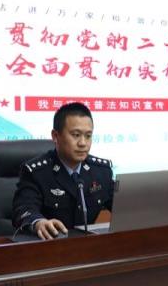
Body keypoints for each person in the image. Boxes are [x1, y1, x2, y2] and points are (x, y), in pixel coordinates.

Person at [12, 102, 114, 240]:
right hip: (49, 245)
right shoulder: (37, 172)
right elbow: (24, 209)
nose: (83, 143)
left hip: (88, 247)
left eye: (88, 136)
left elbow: (124, 207)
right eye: (76, 135)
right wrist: (39, 223)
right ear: (55, 136)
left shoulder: (101, 171)